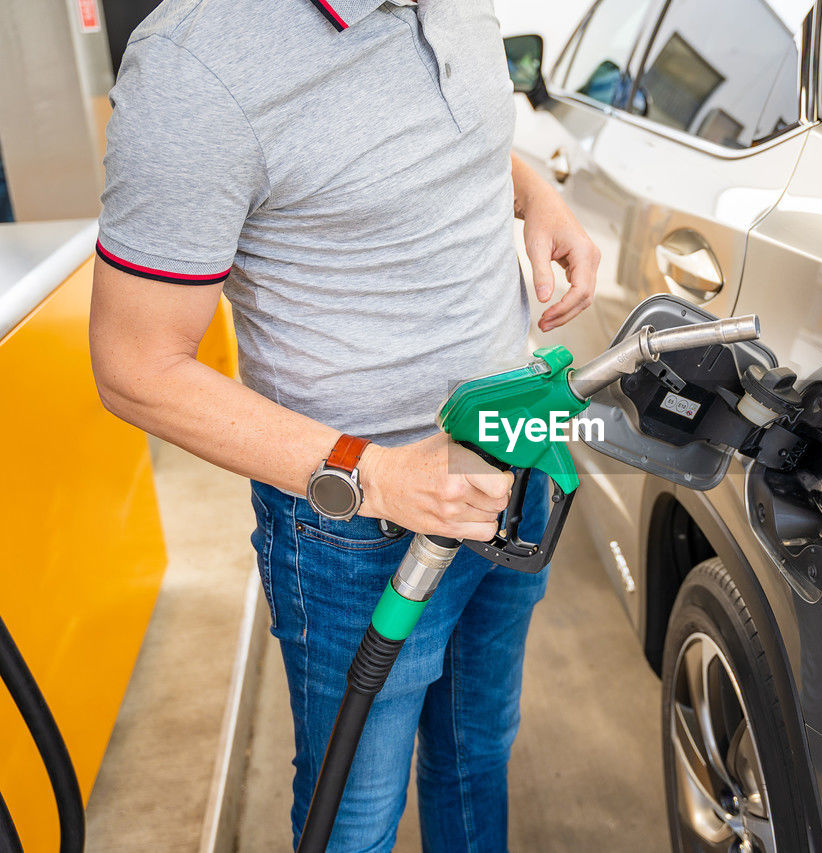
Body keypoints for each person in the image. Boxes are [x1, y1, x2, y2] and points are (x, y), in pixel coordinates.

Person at [87, 0, 600, 849]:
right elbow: (135, 366)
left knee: (477, 754)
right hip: (359, 523)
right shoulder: (196, 65)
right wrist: (382, 477)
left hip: (514, 460)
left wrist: (537, 195)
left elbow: (423, 144)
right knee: (357, 817)